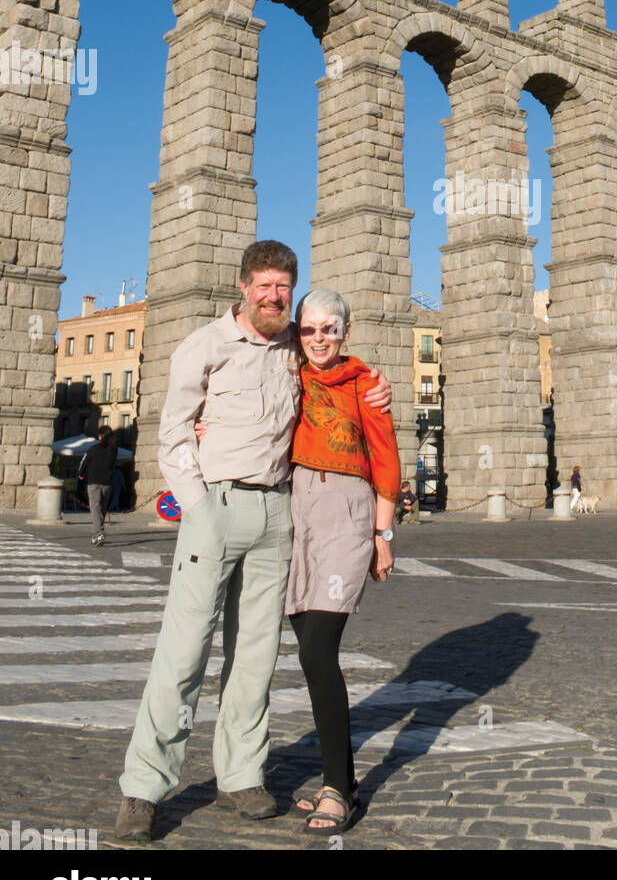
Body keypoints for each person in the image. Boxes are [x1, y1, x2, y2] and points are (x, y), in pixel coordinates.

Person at [114, 241, 392, 844]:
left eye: (283, 288)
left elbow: (339, 364)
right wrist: (199, 508)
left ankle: (240, 775)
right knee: (183, 651)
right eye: (264, 286)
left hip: (277, 512)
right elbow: (172, 433)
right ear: (243, 287)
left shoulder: (296, 344)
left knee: (255, 656)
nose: (274, 296)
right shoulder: (204, 346)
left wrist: (377, 386)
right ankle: (143, 788)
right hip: (216, 506)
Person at [284, 287, 401, 834]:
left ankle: (338, 790)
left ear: (346, 332)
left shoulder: (366, 384)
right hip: (291, 514)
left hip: (347, 514)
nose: (319, 338)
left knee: (317, 647)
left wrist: (383, 533)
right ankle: (343, 778)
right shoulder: (287, 368)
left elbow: (386, 456)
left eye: (330, 328)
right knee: (308, 649)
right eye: (309, 329)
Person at [79, 426, 118, 546]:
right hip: (107, 483)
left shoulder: (92, 449)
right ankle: (97, 533)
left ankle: (98, 534)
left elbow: (83, 463)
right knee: (102, 509)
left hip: (93, 482)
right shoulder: (114, 450)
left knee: (95, 509)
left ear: (100, 436)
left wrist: (81, 474)